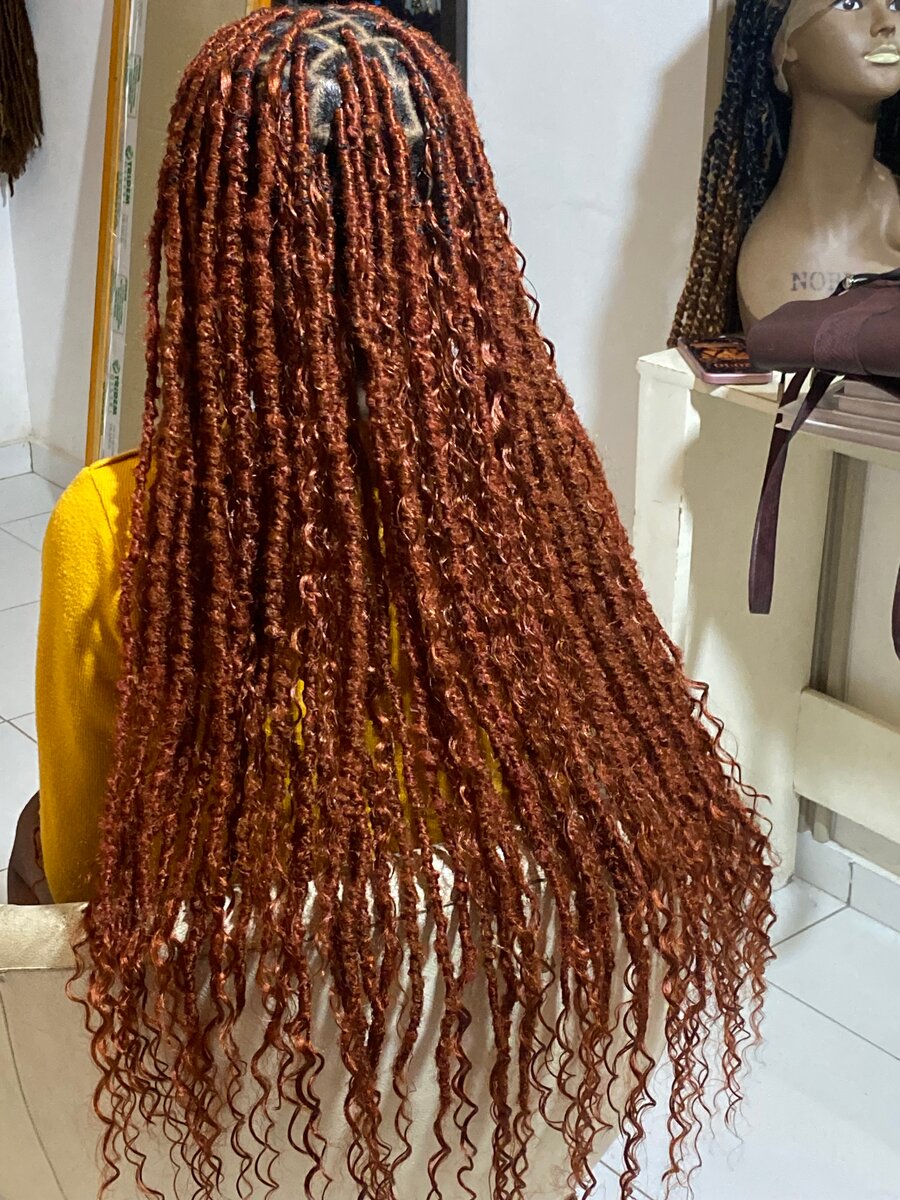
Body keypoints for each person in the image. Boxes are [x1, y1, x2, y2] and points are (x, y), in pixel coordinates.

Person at [10, 6, 774, 1197]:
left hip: (239, 1089)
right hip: (471, 1078)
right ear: (455, 228)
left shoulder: (113, 535)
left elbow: (81, 888)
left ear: (209, 239)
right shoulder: (541, 506)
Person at [672, 0, 900, 341]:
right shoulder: (781, 263)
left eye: (896, 3)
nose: (886, 23)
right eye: (849, 3)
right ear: (785, 43)